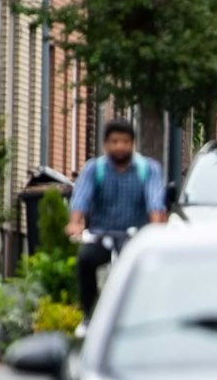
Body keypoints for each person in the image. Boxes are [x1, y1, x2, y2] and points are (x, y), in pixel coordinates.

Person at [67, 119, 168, 316]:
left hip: (135, 236)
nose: (120, 146)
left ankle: (145, 312)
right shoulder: (95, 169)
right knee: (85, 260)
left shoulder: (148, 169)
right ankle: (89, 314)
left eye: (125, 142)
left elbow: (155, 201)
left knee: (145, 268)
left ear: (133, 144)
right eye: (114, 141)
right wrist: (74, 223)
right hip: (101, 234)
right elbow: (81, 198)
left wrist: (156, 228)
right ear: (106, 144)